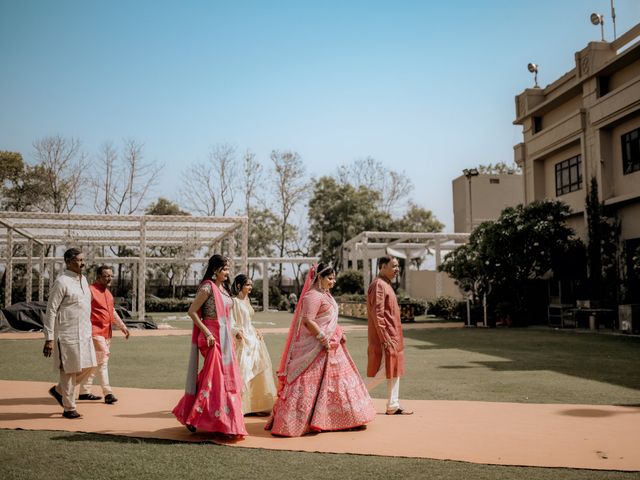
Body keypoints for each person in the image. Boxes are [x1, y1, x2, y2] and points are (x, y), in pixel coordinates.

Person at [266, 262, 375, 437]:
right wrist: (323, 338)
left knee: (339, 384)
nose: (333, 281)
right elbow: (308, 321)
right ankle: (296, 422)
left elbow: (330, 318)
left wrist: (338, 331)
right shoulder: (312, 296)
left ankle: (346, 418)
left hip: (333, 346)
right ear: (319, 278)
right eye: (330, 278)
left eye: (334, 278)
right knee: (308, 382)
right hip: (315, 348)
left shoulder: (326, 295)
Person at [172, 254, 247, 438]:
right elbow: (192, 312)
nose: (228, 272)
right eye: (225, 269)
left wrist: (234, 331)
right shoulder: (207, 287)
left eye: (228, 268)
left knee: (215, 378)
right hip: (211, 337)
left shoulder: (224, 290)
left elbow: (227, 317)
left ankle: (190, 412)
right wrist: (207, 333)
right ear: (215, 270)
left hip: (225, 338)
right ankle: (223, 423)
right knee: (218, 379)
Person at [43, 248, 97, 419]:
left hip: (85, 333)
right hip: (67, 334)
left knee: (90, 366)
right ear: (68, 261)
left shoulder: (84, 280)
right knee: (69, 370)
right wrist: (49, 338)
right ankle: (69, 408)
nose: (83, 263)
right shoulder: (62, 282)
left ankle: (59, 391)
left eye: (83, 260)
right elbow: (51, 311)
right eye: (79, 260)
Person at [366, 255, 413, 415]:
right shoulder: (379, 285)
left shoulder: (386, 284)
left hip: (394, 335)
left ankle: (393, 404)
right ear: (382, 267)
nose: (397, 269)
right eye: (393, 266)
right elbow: (377, 313)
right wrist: (385, 337)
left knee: (395, 368)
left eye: (397, 266)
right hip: (386, 338)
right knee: (385, 371)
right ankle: (356, 393)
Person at [78, 266, 130, 404]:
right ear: (99, 277)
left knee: (96, 362)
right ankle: (108, 393)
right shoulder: (90, 290)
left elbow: (112, 312)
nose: (110, 278)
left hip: (106, 332)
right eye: (107, 276)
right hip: (94, 332)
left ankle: (84, 391)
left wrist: (122, 327)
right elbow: (80, 309)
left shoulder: (108, 293)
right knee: (103, 361)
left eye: (111, 276)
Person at [230, 274, 277, 415]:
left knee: (257, 368)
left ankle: (256, 406)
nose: (250, 287)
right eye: (247, 285)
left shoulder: (246, 300)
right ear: (239, 286)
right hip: (242, 339)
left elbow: (248, 321)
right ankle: (240, 405)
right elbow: (230, 321)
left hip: (253, 338)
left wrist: (256, 331)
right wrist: (236, 332)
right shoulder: (234, 302)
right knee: (244, 369)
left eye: (251, 285)